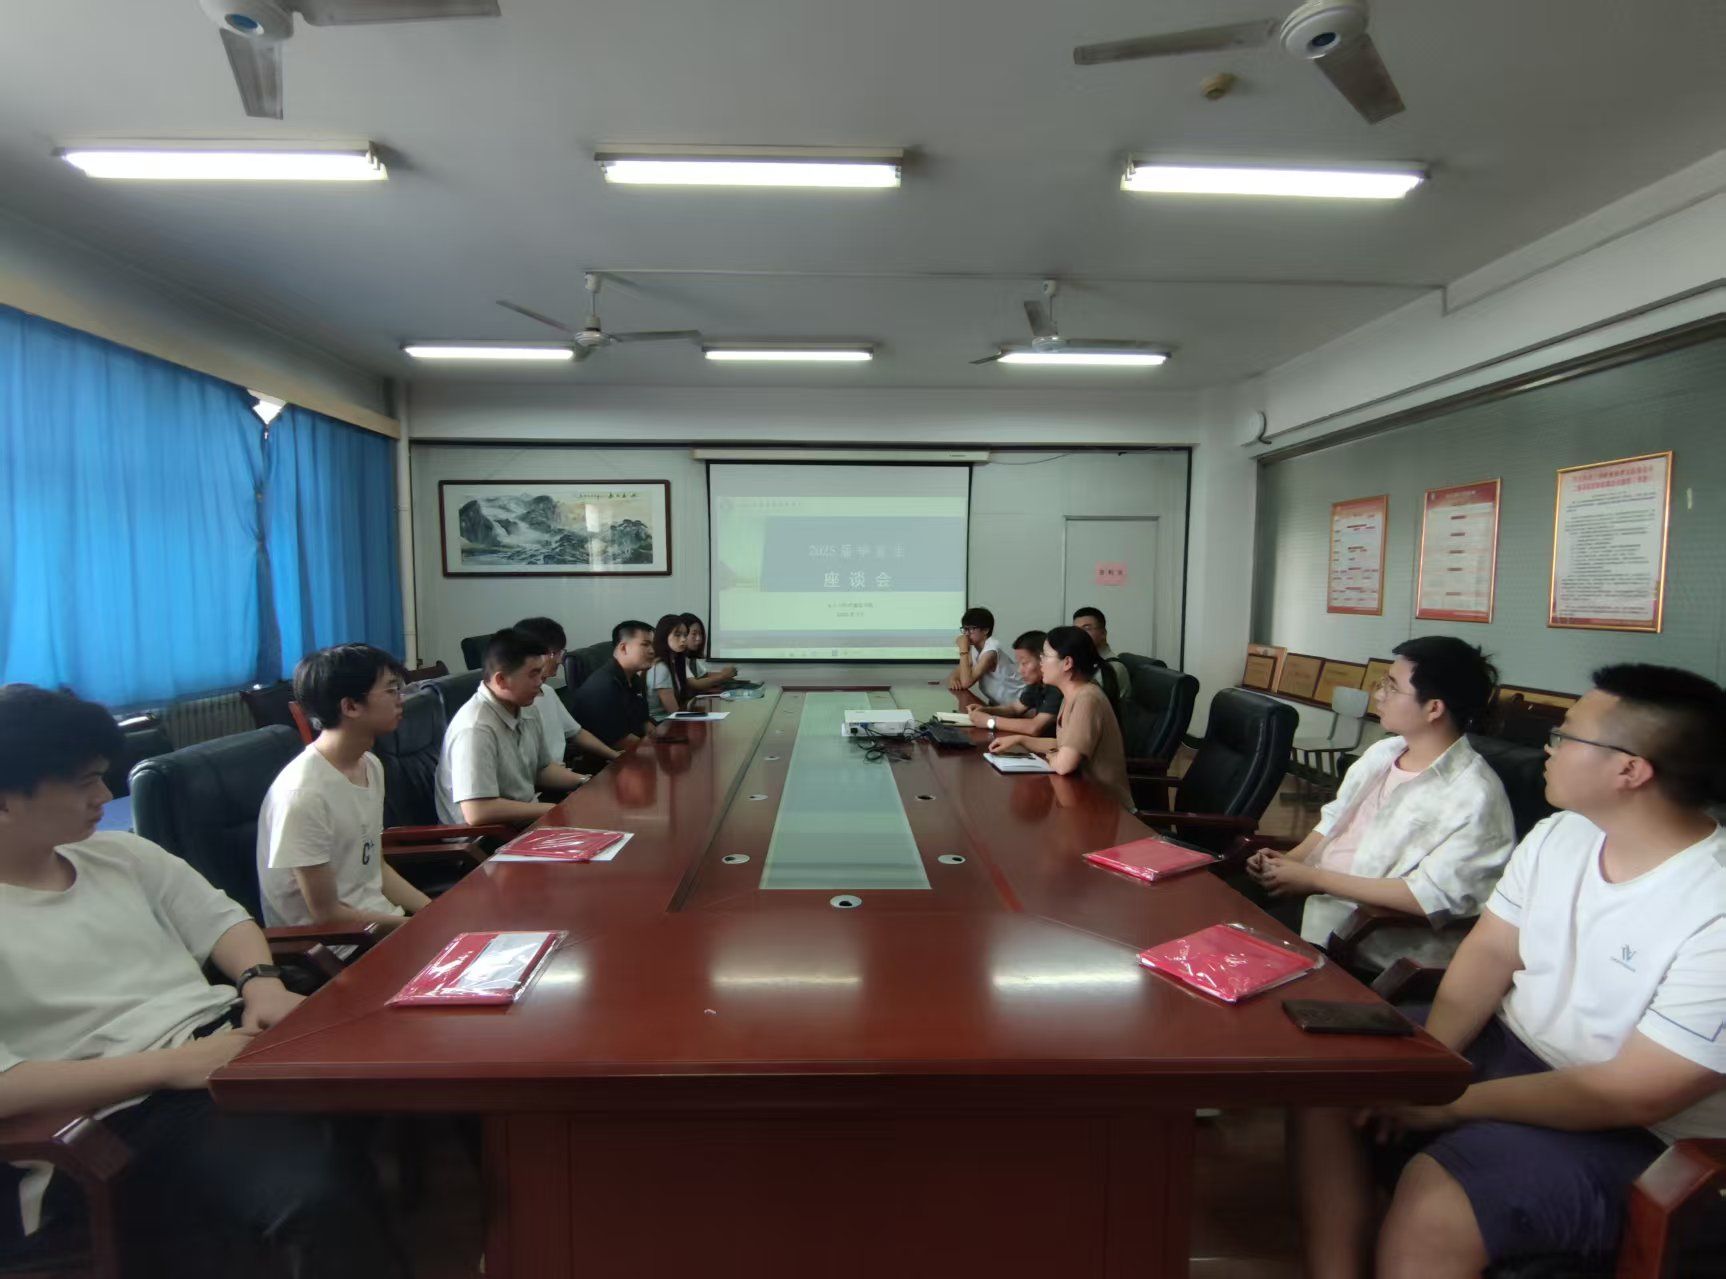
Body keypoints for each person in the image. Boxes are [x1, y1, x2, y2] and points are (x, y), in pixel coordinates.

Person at [1292, 664, 1726, 1279]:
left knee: (1437, 1199)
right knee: (1331, 1080)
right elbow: (1491, 952)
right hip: (1511, 1048)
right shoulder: (1561, 834)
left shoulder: (1713, 904)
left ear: (1630, 770)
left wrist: (1451, 1104)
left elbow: (1637, 1091)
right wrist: (1428, 1068)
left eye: (1566, 736)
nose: (1547, 748)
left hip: (1640, 1133)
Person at [0, 684, 399, 1278]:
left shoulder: (121, 856)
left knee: (416, 1073)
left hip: (222, 1044)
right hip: (121, 1111)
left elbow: (223, 921)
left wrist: (261, 984)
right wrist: (173, 1066)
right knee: (316, 1193)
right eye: (85, 782)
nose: (104, 796)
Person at [1246, 637, 1515, 967]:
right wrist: (1288, 863)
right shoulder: (1383, 752)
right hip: (1317, 904)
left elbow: (1430, 895)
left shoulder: (1475, 794)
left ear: (1434, 708)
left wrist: (1313, 879)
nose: (1378, 695)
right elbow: (1334, 821)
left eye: (1392, 687)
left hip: (1366, 940)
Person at [256, 644, 430, 931]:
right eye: (391, 690)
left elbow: (375, 868)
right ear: (350, 706)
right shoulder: (303, 794)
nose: (401, 699)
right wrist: (416, 926)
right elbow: (328, 916)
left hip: (381, 925)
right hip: (337, 945)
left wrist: (432, 913)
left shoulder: (369, 765)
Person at [435, 628, 590, 828]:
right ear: (501, 680)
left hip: (522, 822)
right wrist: (553, 810)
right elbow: (478, 811)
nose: (540, 682)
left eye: (540, 672)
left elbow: (542, 769)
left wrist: (584, 782)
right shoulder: (475, 728)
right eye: (533, 674)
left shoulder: (527, 708)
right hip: (485, 838)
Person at [987, 626, 1132, 811]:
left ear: (1067, 663)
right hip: (1084, 799)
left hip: (1107, 809)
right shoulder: (1072, 694)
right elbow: (1064, 744)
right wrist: (1020, 740)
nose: (1041, 662)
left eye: (1045, 656)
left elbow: (1064, 764)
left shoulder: (1087, 699)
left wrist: (1053, 756)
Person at [512, 616, 622, 768]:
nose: (559, 660)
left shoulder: (548, 691)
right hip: (547, 778)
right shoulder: (516, 705)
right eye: (555, 653)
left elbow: (576, 732)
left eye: (560, 652)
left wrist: (615, 756)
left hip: (561, 773)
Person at [569, 620, 657, 750]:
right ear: (623, 648)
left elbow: (644, 721)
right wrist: (658, 749)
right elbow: (620, 741)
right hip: (610, 757)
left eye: (653, 645)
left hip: (637, 747)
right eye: (645, 644)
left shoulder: (634, 680)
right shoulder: (603, 687)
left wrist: (661, 740)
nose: (652, 651)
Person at [967, 630, 1064, 736]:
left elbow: (1035, 727)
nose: (1019, 670)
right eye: (1019, 664)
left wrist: (990, 721)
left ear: (1043, 660)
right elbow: (1015, 709)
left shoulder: (1057, 686)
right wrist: (986, 710)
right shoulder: (1037, 683)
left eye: (1024, 663)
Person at [947, 606, 1025, 709]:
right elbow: (958, 671)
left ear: (986, 630)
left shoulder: (991, 651)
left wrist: (963, 649)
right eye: (965, 629)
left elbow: (966, 683)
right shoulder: (975, 648)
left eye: (971, 629)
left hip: (1021, 707)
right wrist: (953, 679)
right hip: (1001, 706)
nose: (966, 634)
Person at [1072, 606, 1133, 708]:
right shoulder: (1085, 661)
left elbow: (1091, 706)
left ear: (1103, 633)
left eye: (1087, 628)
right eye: (1076, 630)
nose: (1080, 634)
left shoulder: (1111, 668)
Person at [679, 612, 739, 693]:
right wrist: (723, 676)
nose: (699, 638)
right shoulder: (678, 658)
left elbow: (704, 676)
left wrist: (727, 675)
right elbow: (695, 684)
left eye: (700, 634)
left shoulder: (691, 660)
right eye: (694, 634)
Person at [647, 614, 692, 715]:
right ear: (664, 636)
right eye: (677, 635)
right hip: (659, 721)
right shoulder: (661, 667)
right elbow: (673, 712)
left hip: (669, 719)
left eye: (685, 635)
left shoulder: (674, 662)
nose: (683, 639)